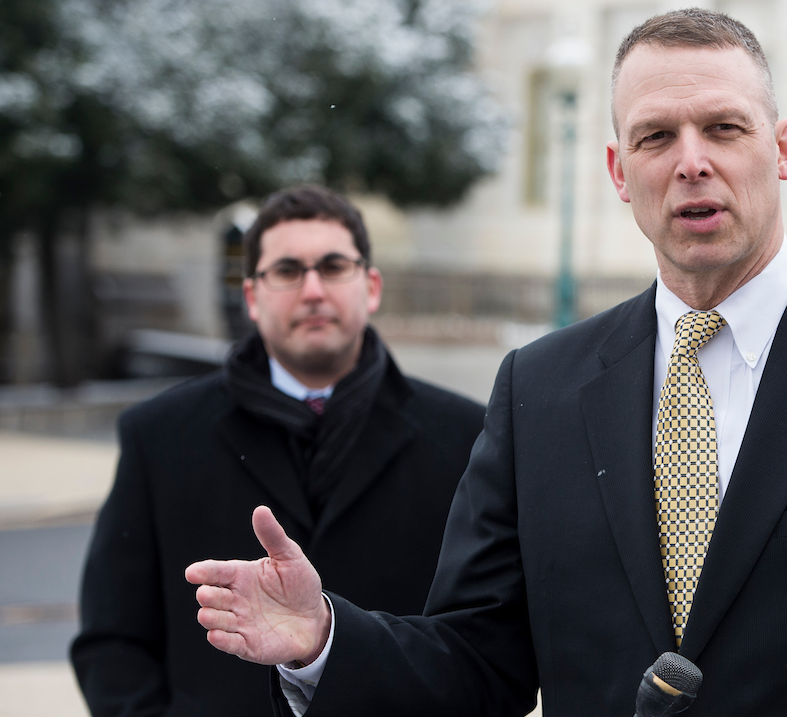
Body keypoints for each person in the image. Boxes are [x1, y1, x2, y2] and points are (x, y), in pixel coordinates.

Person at [187, 10, 787, 716]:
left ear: (785, 149)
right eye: (655, 137)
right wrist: (324, 639)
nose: (692, 163)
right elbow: (475, 663)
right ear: (617, 169)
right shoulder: (540, 391)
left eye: (724, 127)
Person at [71, 186, 485, 717]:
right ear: (251, 297)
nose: (312, 290)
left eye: (334, 267)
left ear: (372, 286)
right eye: (287, 271)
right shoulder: (158, 435)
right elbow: (113, 641)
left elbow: (480, 648)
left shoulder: (466, 437)